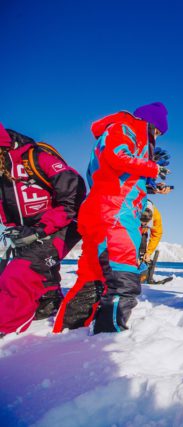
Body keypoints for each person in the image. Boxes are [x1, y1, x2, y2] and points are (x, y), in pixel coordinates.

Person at [53, 102, 169, 334]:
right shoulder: (125, 128)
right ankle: (108, 338)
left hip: (103, 210)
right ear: (151, 124)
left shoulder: (123, 131)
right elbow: (117, 156)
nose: (155, 138)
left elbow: (113, 174)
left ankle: (67, 334)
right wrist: (152, 167)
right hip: (115, 213)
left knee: (93, 280)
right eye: (156, 132)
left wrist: (152, 187)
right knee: (123, 281)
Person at [0, 123, 86, 337]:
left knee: (19, 272)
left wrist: (39, 230)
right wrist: (15, 231)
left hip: (64, 224)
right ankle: (48, 302)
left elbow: (73, 195)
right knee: (29, 267)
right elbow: (8, 209)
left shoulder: (35, 157)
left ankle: (5, 326)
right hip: (29, 231)